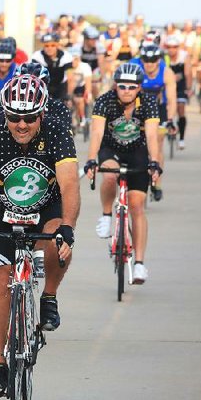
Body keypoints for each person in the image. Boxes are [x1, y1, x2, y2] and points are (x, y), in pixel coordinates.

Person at [0, 74, 79, 397]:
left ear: (42, 114)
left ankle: (49, 296)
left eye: (28, 118)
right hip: (5, 210)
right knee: (1, 283)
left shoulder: (57, 131)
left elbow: (69, 184)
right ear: (5, 114)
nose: (21, 124)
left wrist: (68, 226)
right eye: (14, 117)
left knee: (56, 241)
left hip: (46, 209)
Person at [84, 63, 162, 284]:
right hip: (111, 150)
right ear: (115, 85)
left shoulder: (148, 103)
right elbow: (97, 133)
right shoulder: (105, 101)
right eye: (122, 86)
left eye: (132, 86)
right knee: (110, 175)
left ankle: (139, 264)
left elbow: (153, 136)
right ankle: (107, 215)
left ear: (139, 88)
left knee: (137, 205)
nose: (126, 90)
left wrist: (155, 162)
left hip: (137, 152)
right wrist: (91, 160)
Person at [129, 43, 177, 201]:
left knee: (157, 142)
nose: (149, 63)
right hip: (137, 106)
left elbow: (171, 99)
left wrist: (170, 120)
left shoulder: (166, 72)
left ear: (159, 60)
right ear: (141, 60)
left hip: (159, 108)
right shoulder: (134, 67)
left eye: (153, 59)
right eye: (146, 60)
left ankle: (157, 183)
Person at [0, 62, 72, 132]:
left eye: (35, 85)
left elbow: (64, 133)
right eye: (24, 85)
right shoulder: (2, 106)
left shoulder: (58, 108)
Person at [165, 35, 192, 148]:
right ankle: (168, 126)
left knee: (181, 107)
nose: (172, 49)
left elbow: (188, 73)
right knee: (166, 107)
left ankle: (181, 139)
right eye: (169, 47)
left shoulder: (184, 56)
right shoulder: (164, 57)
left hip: (180, 85)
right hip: (167, 85)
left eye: (174, 47)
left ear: (178, 47)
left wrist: (189, 88)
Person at [32, 33, 75, 101]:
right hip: (43, 86)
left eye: (53, 45)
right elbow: (34, 77)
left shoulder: (66, 56)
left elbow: (70, 78)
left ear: (57, 45)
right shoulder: (37, 56)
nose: (49, 48)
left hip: (61, 87)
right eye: (46, 46)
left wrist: (68, 95)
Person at [69, 47, 93, 130]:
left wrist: (88, 94)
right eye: (71, 59)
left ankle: (82, 117)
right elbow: (68, 82)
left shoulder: (85, 66)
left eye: (75, 59)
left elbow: (88, 82)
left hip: (82, 87)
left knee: (80, 100)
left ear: (79, 58)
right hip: (71, 86)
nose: (73, 61)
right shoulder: (68, 67)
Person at [80, 26, 106, 98]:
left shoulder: (99, 46)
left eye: (95, 39)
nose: (94, 41)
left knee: (95, 85)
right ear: (85, 39)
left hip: (95, 69)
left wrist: (103, 78)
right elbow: (77, 64)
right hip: (82, 70)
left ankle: (95, 100)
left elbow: (101, 63)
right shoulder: (79, 47)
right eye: (91, 39)